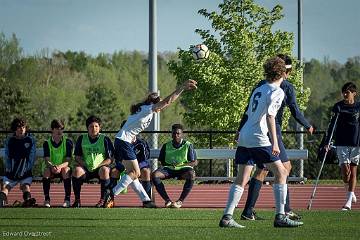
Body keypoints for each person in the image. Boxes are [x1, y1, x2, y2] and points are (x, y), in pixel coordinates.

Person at [219, 56, 303, 228]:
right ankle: (280, 216)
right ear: (282, 73)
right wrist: (275, 143)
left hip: (245, 135)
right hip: (259, 137)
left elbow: (249, 113)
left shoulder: (259, 88)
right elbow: (271, 117)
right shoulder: (277, 91)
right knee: (281, 172)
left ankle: (227, 217)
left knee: (241, 178)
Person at [240, 54, 314, 221]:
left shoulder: (260, 85)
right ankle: (285, 211)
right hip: (272, 130)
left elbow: (247, 110)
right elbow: (294, 110)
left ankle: (248, 211)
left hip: (253, 130)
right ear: (286, 71)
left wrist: (240, 128)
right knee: (284, 168)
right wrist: (307, 124)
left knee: (261, 170)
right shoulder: (285, 86)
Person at [104, 79, 197, 208]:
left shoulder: (143, 109)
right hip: (124, 142)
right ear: (155, 103)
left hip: (121, 141)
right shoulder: (148, 109)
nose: (161, 107)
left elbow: (130, 126)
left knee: (133, 174)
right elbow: (168, 101)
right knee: (136, 173)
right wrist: (182, 87)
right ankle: (111, 194)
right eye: (160, 103)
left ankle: (146, 200)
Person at [325, 82, 360, 211]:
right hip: (341, 142)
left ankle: (348, 201)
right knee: (346, 173)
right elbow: (331, 125)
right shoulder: (338, 106)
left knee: (353, 170)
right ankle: (350, 191)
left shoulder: (358, 106)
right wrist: (327, 142)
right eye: (344, 92)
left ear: (354, 93)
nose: (345, 94)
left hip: (356, 143)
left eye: (348, 92)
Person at [72, 115, 115, 208]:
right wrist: (84, 164)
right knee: (76, 171)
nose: (94, 128)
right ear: (87, 128)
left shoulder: (105, 139)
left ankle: (103, 199)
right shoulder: (81, 138)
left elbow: (110, 159)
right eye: (91, 126)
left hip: (99, 168)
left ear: (99, 128)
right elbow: (77, 157)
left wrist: (100, 165)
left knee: (105, 170)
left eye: (96, 126)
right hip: (86, 168)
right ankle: (77, 200)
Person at [152, 123, 197, 208]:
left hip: (183, 169)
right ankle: (167, 200)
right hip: (169, 169)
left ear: (182, 134)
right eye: (174, 133)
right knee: (155, 175)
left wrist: (181, 164)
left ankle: (180, 201)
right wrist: (170, 165)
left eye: (178, 133)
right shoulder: (166, 145)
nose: (176, 135)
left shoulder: (188, 145)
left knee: (192, 175)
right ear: (171, 134)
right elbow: (162, 161)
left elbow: (194, 162)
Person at [0, 118, 37, 208]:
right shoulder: (10, 140)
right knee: (6, 187)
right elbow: (7, 156)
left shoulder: (30, 140)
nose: (21, 129)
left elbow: (31, 157)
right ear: (15, 129)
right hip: (12, 171)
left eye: (23, 127)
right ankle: (1, 200)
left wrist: (25, 169)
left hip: (25, 171)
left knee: (26, 186)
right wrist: (10, 169)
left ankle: (27, 200)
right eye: (19, 127)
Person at [42, 119, 73, 208]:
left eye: (61, 128)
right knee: (46, 172)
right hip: (51, 168)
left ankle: (67, 200)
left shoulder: (68, 142)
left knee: (66, 170)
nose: (59, 131)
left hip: (62, 167)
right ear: (52, 129)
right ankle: (47, 199)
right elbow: (47, 160)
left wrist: (59, 167)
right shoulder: (46, 143)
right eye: (57, 128)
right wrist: (53, 167)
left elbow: (68, 160)